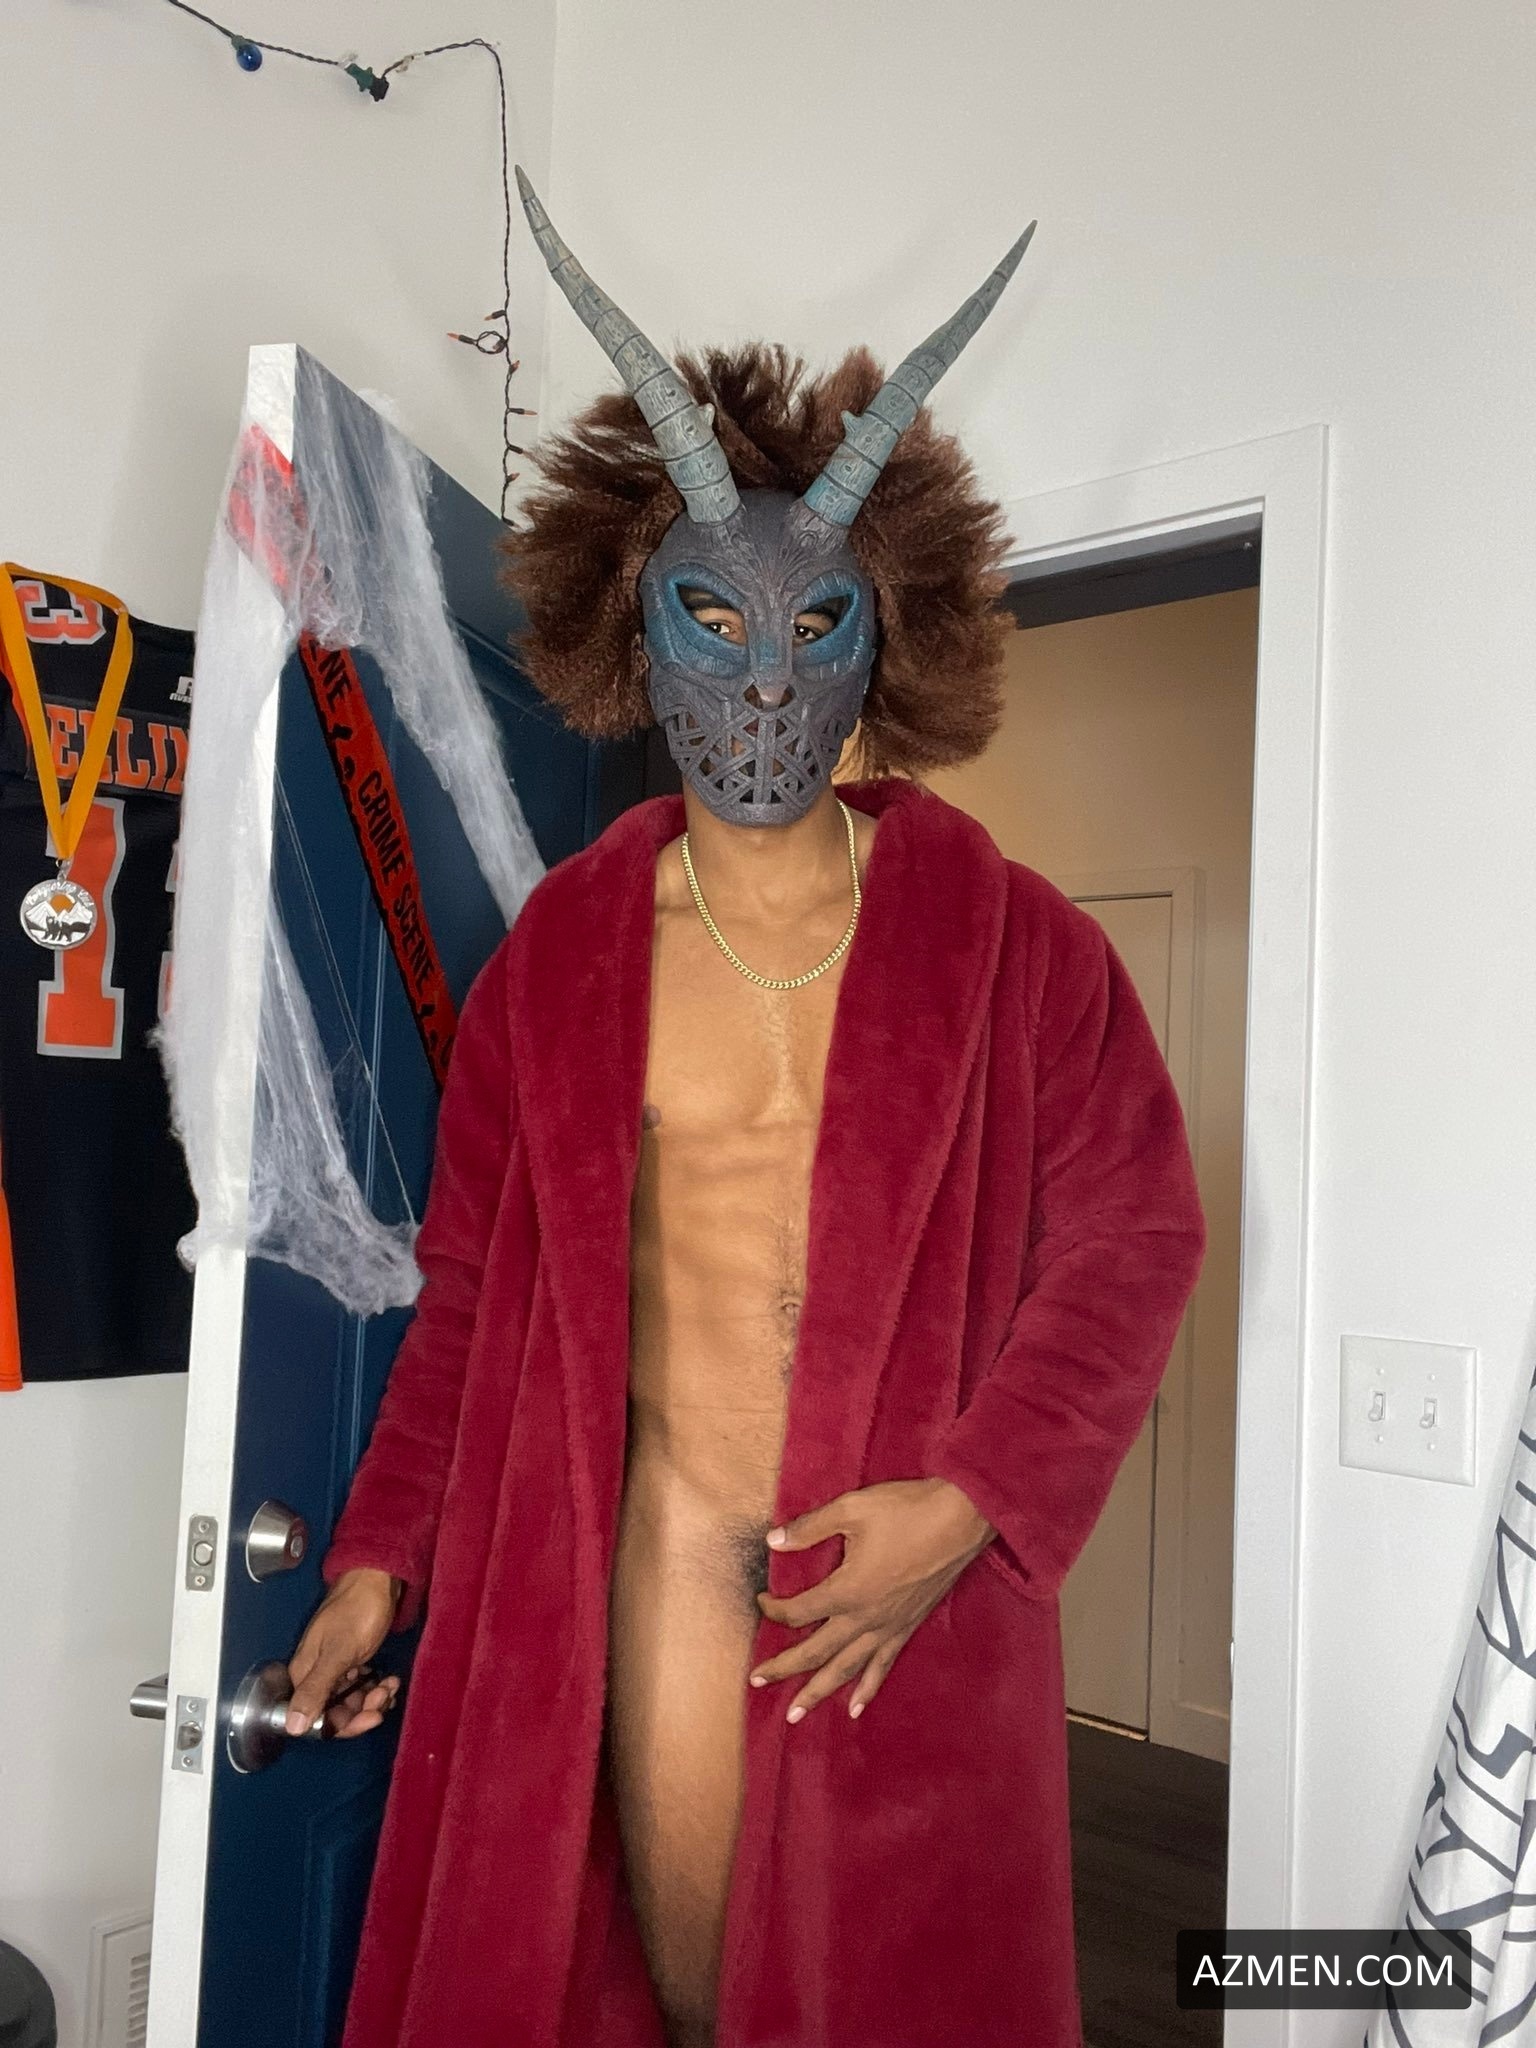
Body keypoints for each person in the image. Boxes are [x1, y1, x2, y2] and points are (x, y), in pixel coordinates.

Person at [285, 173, 1207, 2048]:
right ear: (637, 632)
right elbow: (469, 1298)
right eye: (717, 617)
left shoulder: (1020, 948)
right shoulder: (558, 967)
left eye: (819, 623)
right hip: (654, 1595)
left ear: (888, 637)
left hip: (909, 1616)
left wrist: (980, 1500)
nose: (770, 677)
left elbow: (1138, 1239)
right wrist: (384, 1557)